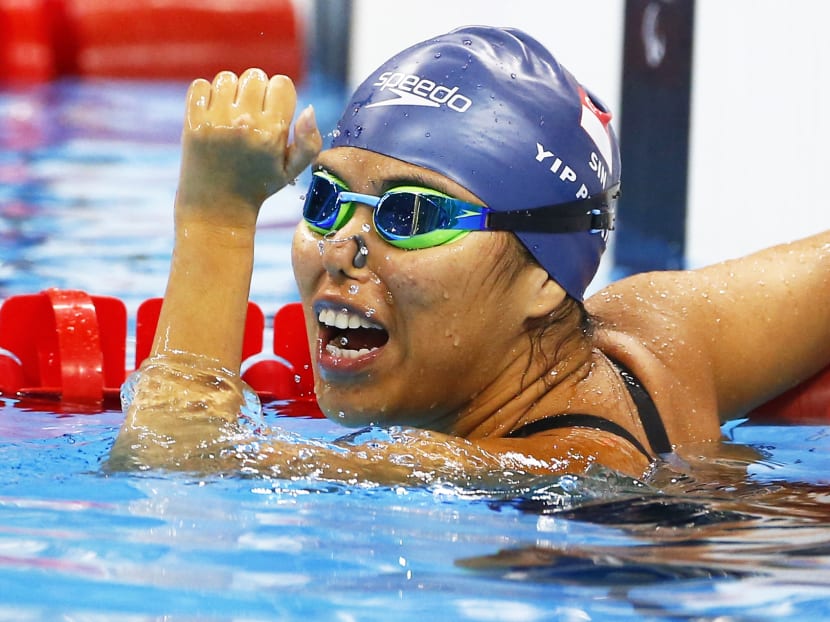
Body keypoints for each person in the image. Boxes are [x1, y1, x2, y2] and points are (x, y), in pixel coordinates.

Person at [111, 26, 830, 484]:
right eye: (327, 197)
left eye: (413, 214)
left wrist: (217, 218)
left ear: (546, 278)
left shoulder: (493, 468)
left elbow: (175, 465)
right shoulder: (659, 334)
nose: (343, 250)